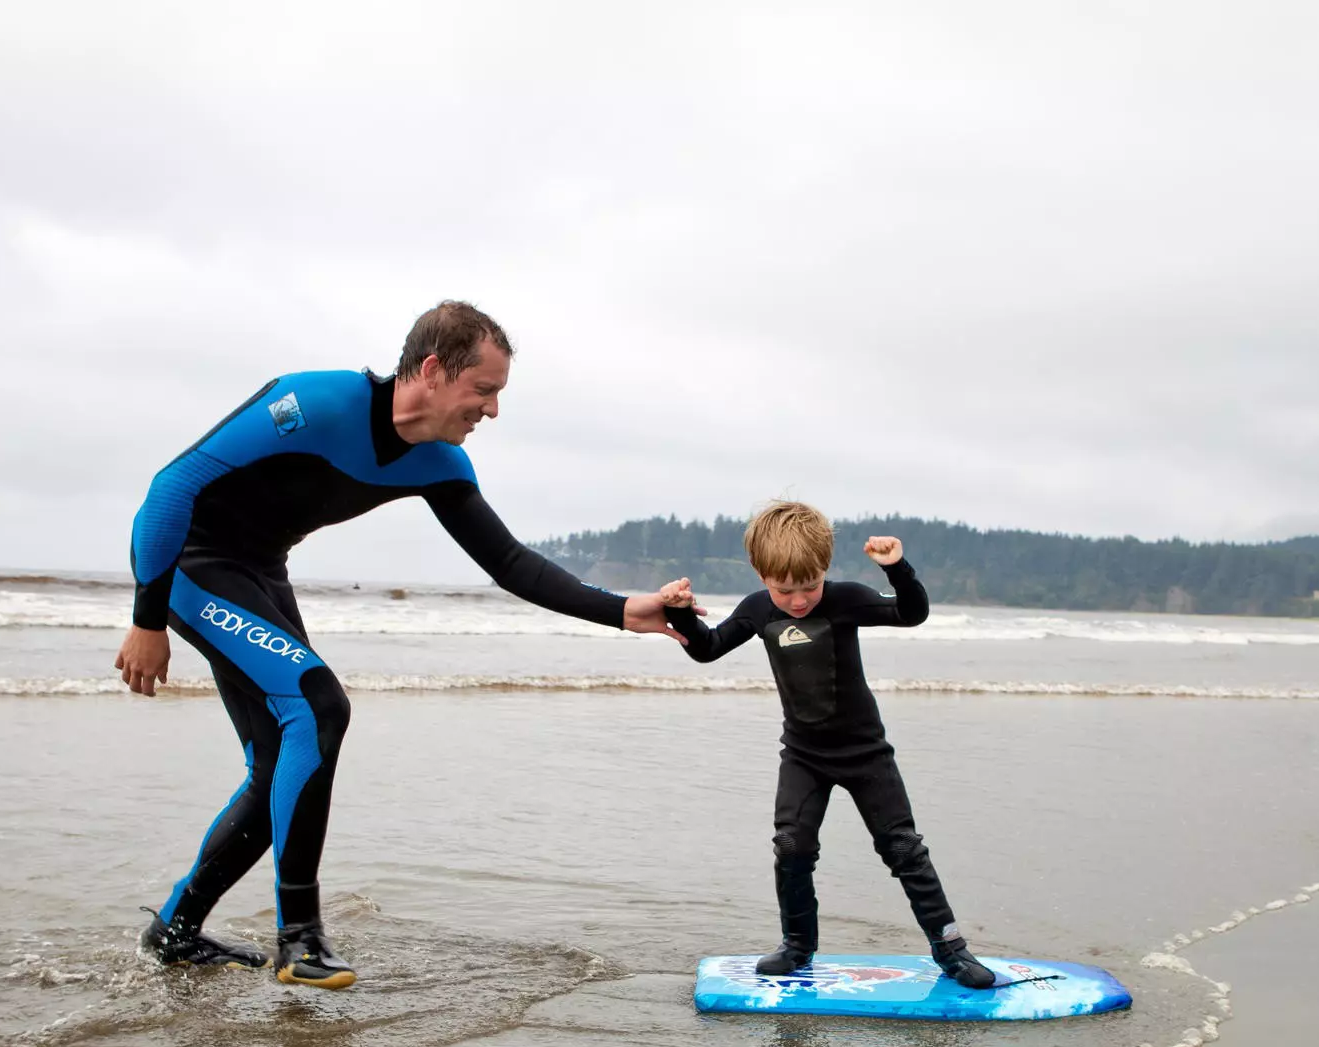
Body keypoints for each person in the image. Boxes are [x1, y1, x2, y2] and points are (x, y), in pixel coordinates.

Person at [115, 301, 687, 990]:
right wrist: (147, 620)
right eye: (485, 390)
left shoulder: (438, 462)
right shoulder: (315, 402)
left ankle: (174, 930)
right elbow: (171, 488)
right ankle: (299, 935)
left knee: (283, 765)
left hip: (257, 571)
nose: (493, 410)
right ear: (432, 371)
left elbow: (510, 563)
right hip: (186, 565)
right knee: (318, 706)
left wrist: (627, 610)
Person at [658, 501, 996, 988]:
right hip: (803, 756)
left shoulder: (847, 599)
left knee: (903, 849)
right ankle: (797, 946)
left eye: (810, 587)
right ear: (761, 572)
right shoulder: (757, 608)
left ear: (826, 569)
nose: (797, 601)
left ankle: (951, 949)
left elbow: (911, 613)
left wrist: (896, 568)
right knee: (791, 846)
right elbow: (708, 649)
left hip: (865, 755)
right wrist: (682, 614)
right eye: (784, 590)